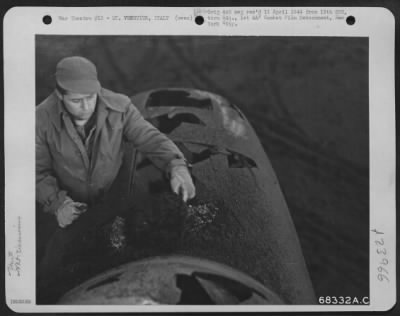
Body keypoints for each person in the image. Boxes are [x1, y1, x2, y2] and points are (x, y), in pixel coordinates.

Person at [36, 57, 196, 298]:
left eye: (91, 97)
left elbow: (150, 138)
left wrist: (177, 166)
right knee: (55, 263)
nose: (86, 106)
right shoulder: (39, 120)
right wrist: (58, 205)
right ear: (60, 96)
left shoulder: (120, 107)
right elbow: (35, 171)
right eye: (77, 101)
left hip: (113, 193)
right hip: (66, 203)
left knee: (120, 251)